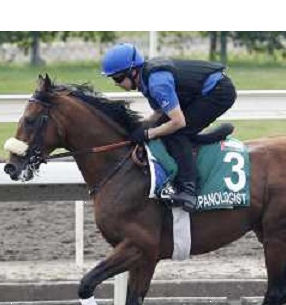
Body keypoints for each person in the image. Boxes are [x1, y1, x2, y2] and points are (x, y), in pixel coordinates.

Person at [101, 42, 237, 212]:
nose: (116, 83)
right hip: (202, 91)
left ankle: (189, 191)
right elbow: (159, 113)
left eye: (118, 78)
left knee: (176, 134)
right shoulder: (145, 79)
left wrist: (149, 133)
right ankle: (204, 141)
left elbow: (178, 122)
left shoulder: (157, 83)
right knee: (167, 129)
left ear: (133, 71)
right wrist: (142, 128)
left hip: (218, 92)